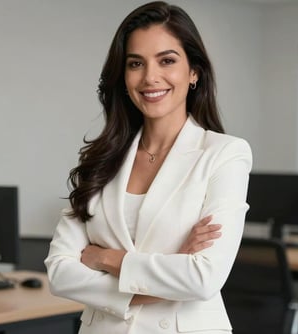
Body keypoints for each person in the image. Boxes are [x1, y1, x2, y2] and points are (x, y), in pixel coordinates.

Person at [44, 1, 252, 333]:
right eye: (136, 63)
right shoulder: (100, 159)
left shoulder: (225, 154)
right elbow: (59, 274)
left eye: (167, 60)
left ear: (194, 71)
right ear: (123, 76)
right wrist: (166, 276)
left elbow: (203, 278)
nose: (150, 77)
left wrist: (105, 260)